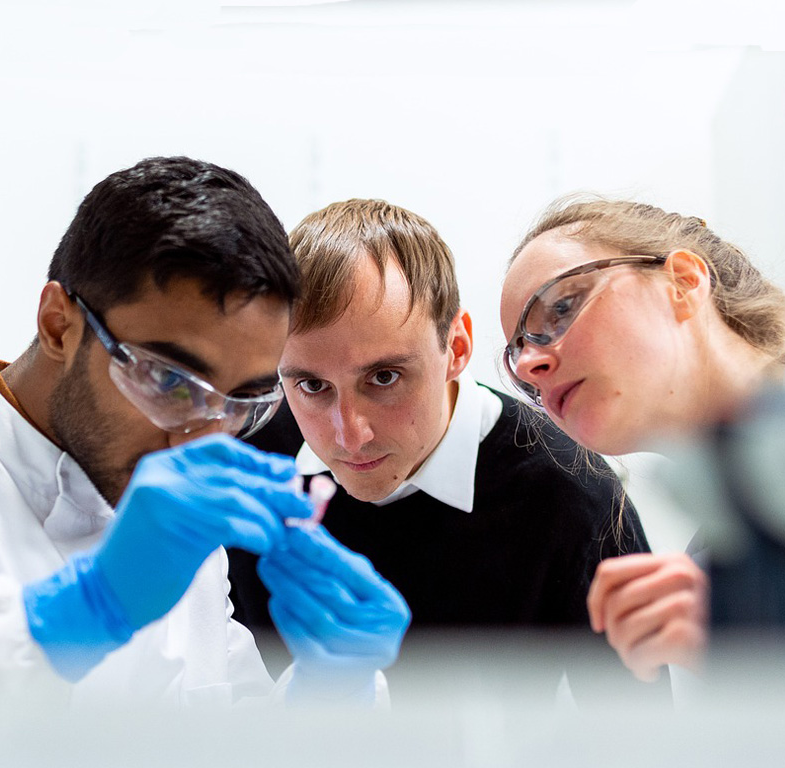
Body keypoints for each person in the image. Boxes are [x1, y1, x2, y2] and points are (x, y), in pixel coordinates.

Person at [0, 157, 410, 729]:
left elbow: (228, 744)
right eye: (170, 380)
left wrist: (332, 694)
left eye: (238, 406)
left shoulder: (186, 539)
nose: (199, 442)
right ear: (58, 324)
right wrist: (78, 616)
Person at [229, 198, 659, 702]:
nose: (349, 435)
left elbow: (637, 741)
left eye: (384, 377)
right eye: (311, 386)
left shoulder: (574, 498)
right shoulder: (247, 468)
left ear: (456, 349)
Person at [499, 196, 785, 683]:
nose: (530, 366)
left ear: (683, 282)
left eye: (560, 308)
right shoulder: (722, 547)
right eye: (518, 362)